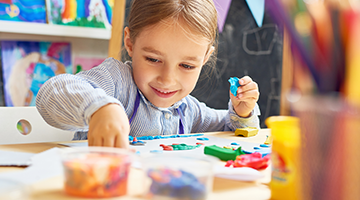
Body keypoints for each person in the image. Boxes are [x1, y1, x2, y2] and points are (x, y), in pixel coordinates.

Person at [36, 0, 260, 149]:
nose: (167, 79)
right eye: (153, 60)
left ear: (205, 58)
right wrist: (98, 109)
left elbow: (230, 131)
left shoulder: (187, 109)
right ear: (130, 43)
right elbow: (52, 93)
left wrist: (242, 113)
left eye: (186, 66)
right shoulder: (117, 81)